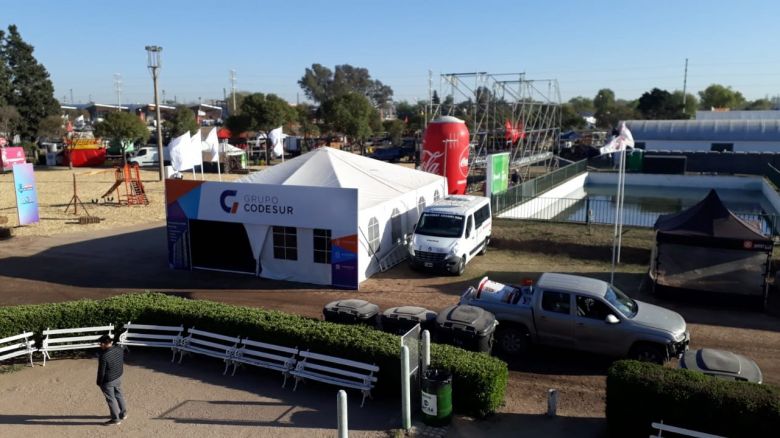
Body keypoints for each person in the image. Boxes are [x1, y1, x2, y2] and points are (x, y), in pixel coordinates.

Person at [96, 334, 127, 426]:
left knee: (111, 399)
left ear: (105, 344)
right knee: (119, 395)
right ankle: (123, 413)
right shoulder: (119, 349)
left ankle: (115, 419)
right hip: (118, 377)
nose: (99, 345)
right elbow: (126, 352)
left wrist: (99, 382)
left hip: (108, 381)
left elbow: (101, 372)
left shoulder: (104, 356)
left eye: (100, 343)